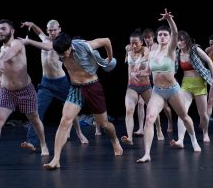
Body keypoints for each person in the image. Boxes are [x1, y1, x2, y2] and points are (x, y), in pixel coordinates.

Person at [43, 33, 123, 169]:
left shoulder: (84, 46)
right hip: (75, 88)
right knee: (64, 121)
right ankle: (56, 159)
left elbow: (106, 40)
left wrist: (109, 58)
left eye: (64, 53)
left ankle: (115, 140)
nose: (62, 56)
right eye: (59, 54)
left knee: (104, 124)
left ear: (70, 47)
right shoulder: (59, 50)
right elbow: (42, 45)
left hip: (92, 86)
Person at [0, 19, 49, 166]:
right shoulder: (1, 50)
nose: (0, 31)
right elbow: (4, 68)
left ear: (12, 31)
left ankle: (43, 145)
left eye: (3, 29)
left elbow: (10, 53)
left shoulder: (18, 44)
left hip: (25, 90)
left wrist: (0, 63)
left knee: (34, 119)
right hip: (7, 92)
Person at [137, 9, 201, 163]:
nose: (163, 37)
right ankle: (147, 154)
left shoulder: (171, 49)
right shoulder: (152, 53)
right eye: (160, 35)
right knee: (149, 119)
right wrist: (141, 73)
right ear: (156, 37)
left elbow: (174, 31)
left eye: (165, 34)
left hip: (173, 90)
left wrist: (169, 20)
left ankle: (193, 141)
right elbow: (149, 70)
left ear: (169, 37)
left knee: (184, 117)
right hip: (158, 91)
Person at [19, 20, 88, 153]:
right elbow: (40, 33)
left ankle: (79, 133)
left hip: (61, 83)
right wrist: (33, 25)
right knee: (36, 112)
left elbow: (49, 47)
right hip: (46, 84)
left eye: (54, 30)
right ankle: (32, 143)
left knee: (71, 109)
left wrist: (29, 42)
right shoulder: (45, 38)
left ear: (59, 29)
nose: (51, 32)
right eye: (49, 30)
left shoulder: (60, 44)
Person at [170, 30, 213, 148]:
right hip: (186, 84)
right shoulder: (177, 53)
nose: (179, 43)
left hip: (200, 84)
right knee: (182, 112)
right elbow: (172, 69)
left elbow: (209, 61)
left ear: (186, 40)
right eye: (177, 40)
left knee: (203, 115)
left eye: (181, 40)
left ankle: (205, 133)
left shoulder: (195, 49)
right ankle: (180, 140)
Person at [121, 29, 163, 145]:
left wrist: (139, 60)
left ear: (141, 42)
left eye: (136, 43)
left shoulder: (146, 50)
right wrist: (129, 81)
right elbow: (129, 67)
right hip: (132, 86)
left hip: (146, 86)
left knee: (153, 111)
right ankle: (129, 137)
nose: (133, 45)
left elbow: (146, 56)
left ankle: (159, 130)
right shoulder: (129, 49)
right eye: (131, 43)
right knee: (129, 110)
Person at [143, 28, 174, 133]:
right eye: (145, 38)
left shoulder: (156, 46)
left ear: (153, 38)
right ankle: (152, 128)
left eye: (149, 37)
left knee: (165, 106)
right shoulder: (146, 48)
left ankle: (170, 122)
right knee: (144, 104)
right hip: (151, 81)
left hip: (164, 80)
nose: (147, 40)